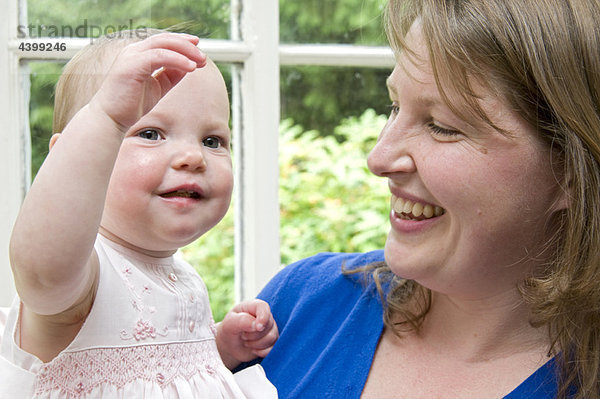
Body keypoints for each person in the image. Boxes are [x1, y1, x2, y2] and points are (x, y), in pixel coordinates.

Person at [240, 0, 600, 397]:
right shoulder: (295, 308)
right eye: (394, 106)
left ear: (571, 172)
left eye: (442, 127)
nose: (378, 158)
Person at [0, 30, 278, 398]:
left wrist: (220, 348)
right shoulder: (81, 279)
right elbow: (42, 270)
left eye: (212, 141)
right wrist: (105, 117)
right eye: (149, 133)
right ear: (68, 156)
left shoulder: (180, 275)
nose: (192, 157)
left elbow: (163, 373)